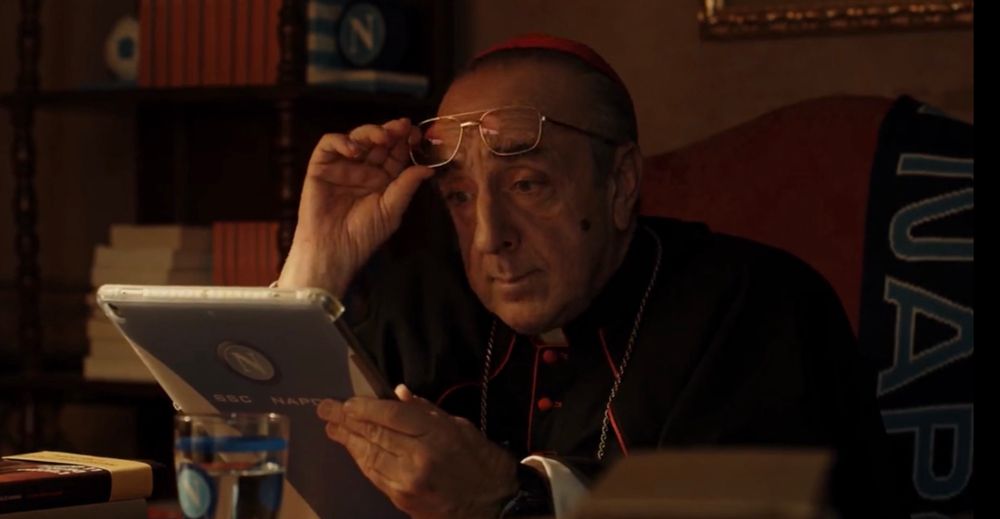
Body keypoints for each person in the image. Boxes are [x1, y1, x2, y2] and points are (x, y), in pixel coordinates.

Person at [276, 34, 906, 518]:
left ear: (620, 184)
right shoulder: (425, 302)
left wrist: (507, 498)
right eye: (460, 198)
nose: (491, 237)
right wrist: (316, 267)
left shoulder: (754, 308)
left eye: (527, 184)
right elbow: (261, 474)